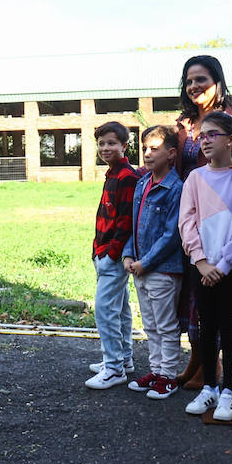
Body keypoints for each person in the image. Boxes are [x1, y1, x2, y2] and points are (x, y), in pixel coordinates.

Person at [173, 54, 232, 389]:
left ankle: (224, 374)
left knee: (222, 301)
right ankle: (197, 361)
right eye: (189, 80)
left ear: (218, 82)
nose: (194, 86)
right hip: (190, 222)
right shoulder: (182, 125)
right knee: (193, 297)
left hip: (224, 225)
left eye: (201, 79)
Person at [123, 125, 184, 400]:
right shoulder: (141, 183)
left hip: (162, 269)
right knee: (150, 325)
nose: (147, 154)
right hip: (140, 267)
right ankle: (156, 370)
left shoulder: (176, 188)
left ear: (171, 154)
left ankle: (168, 376)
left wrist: (145, 262)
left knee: (166, 325)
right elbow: (134, 226)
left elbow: (172, 235)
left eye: (154, 149)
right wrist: (128, 254)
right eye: (144, 148)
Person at [84, 121, 140, 390]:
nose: (105, 148)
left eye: (111, 143)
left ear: (124, 146)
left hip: (113, 256)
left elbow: (126, 221)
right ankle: (124, 359)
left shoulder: (127, 177)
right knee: (120, 307)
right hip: (103, 251)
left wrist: (109, 254)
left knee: (106, 310)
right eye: (101, 143)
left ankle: (114, 368)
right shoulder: (113, 174)